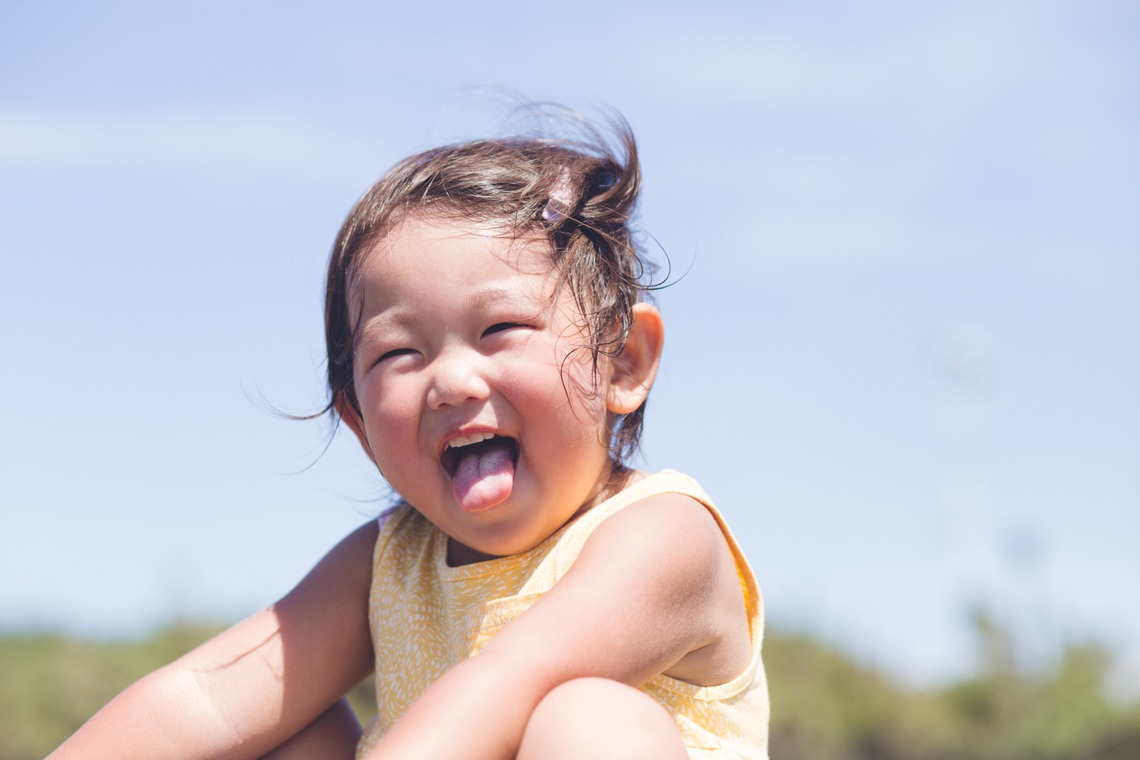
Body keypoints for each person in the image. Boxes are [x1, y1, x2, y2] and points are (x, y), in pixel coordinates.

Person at [49, 111, 769, 759]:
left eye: (500, 330)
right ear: (359, 423)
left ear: (625, 360)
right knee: (281, 726)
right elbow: (208, 696)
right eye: (399, 354)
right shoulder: (391, 561)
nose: (451, 381)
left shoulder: (664, 537)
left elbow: (506, 682)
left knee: (590, 719)